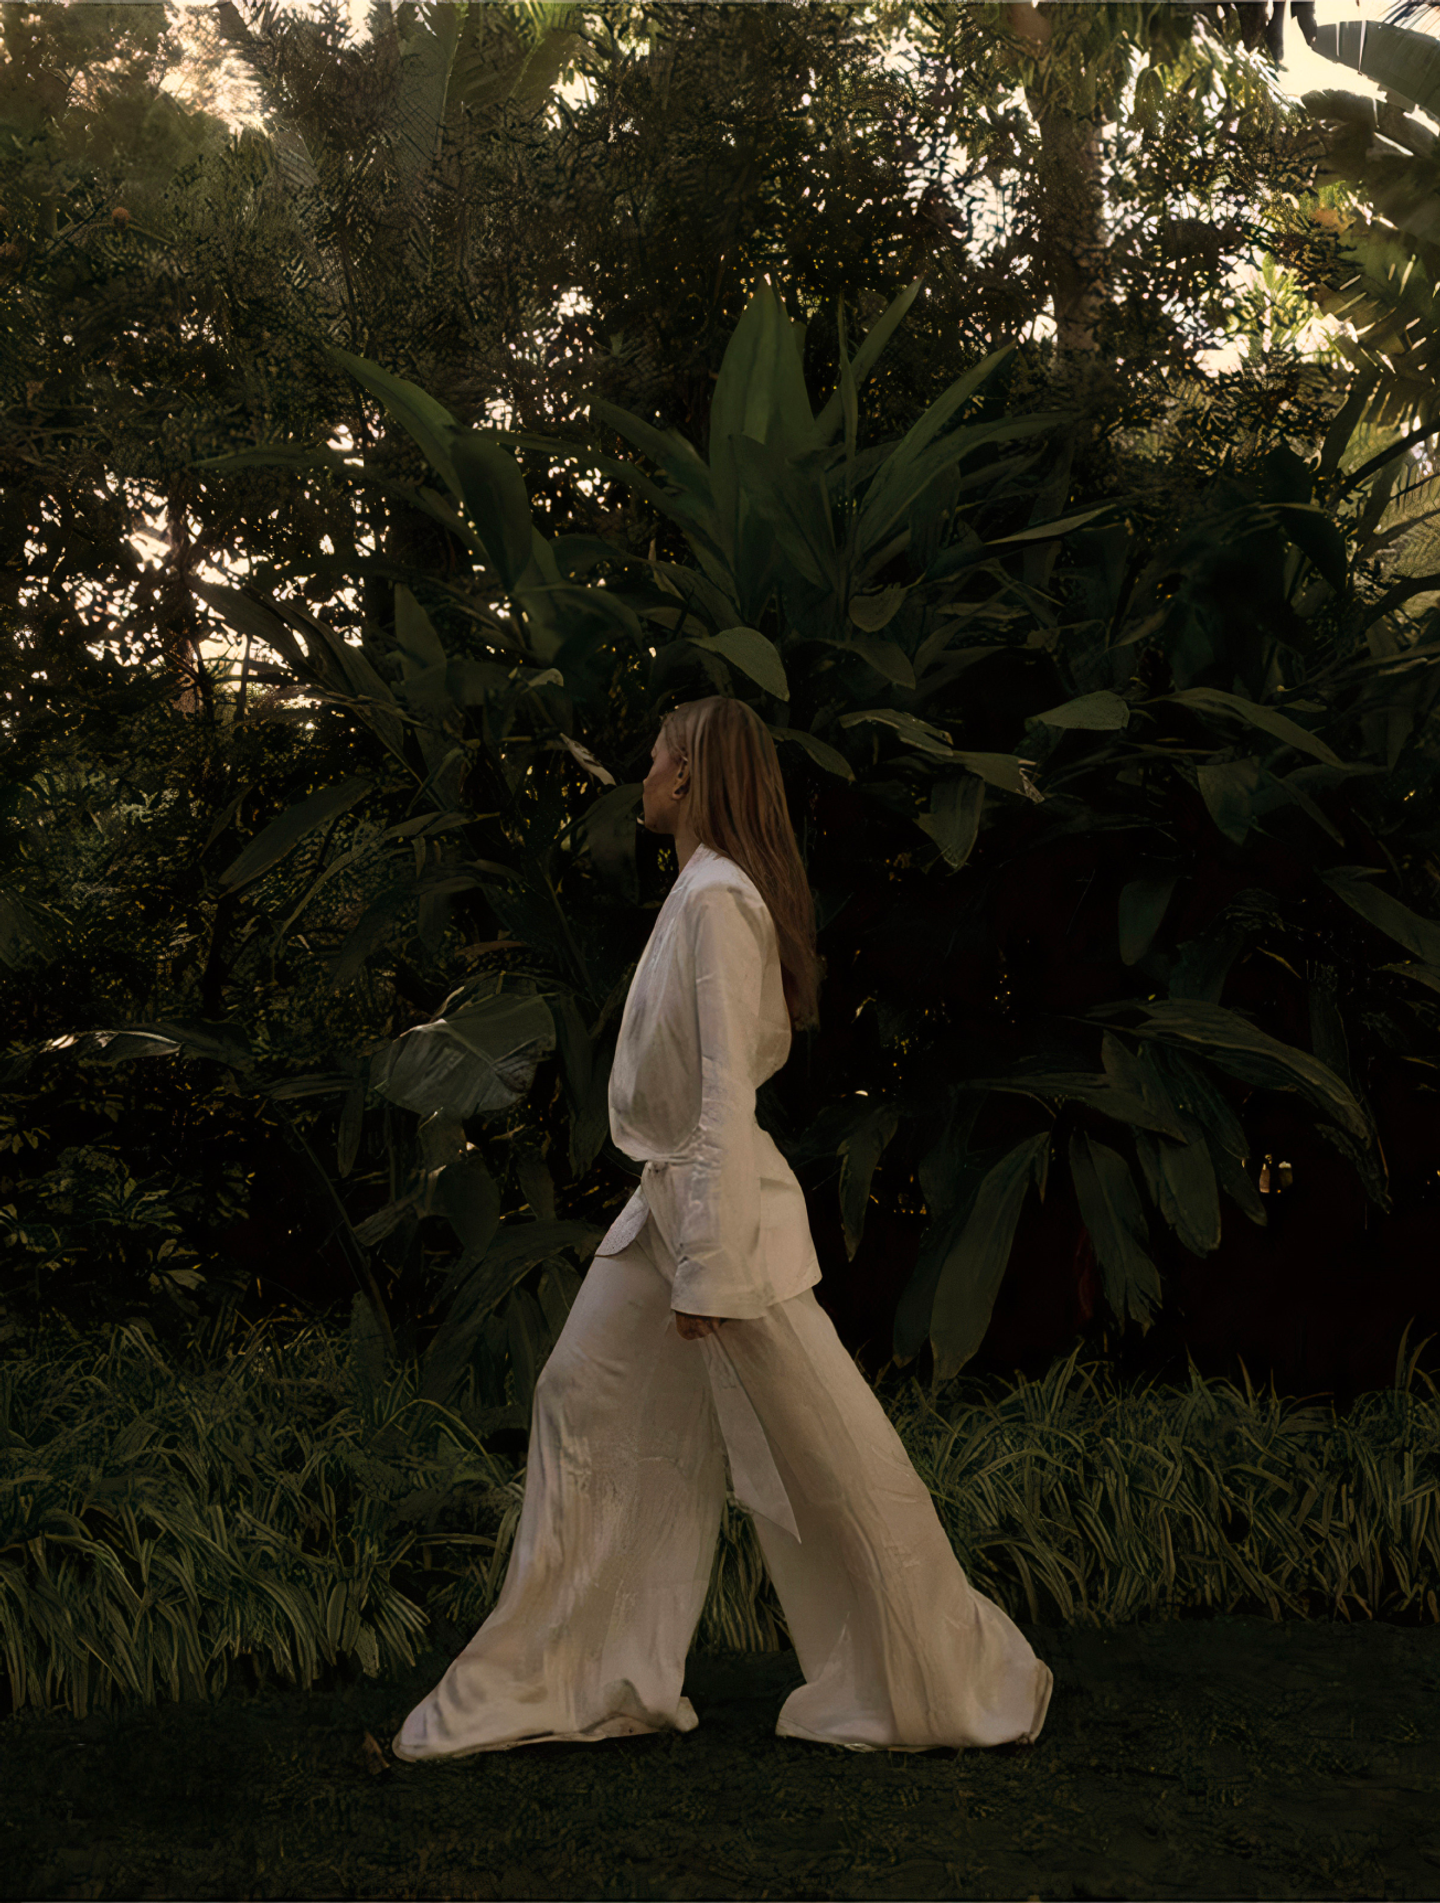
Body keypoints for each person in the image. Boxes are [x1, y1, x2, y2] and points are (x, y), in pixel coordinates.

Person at [391, 695, 1054, 1762]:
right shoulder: (700, 893)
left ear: (689, 777)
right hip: (675, 1214)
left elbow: (717, 1102)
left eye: (654, 756)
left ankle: (953, 1676)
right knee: (580, 1399)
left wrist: (705, 1268)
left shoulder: (717, 904)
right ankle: (578, 1681)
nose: (641, 772)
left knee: (829, 1454)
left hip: (721, 1226)